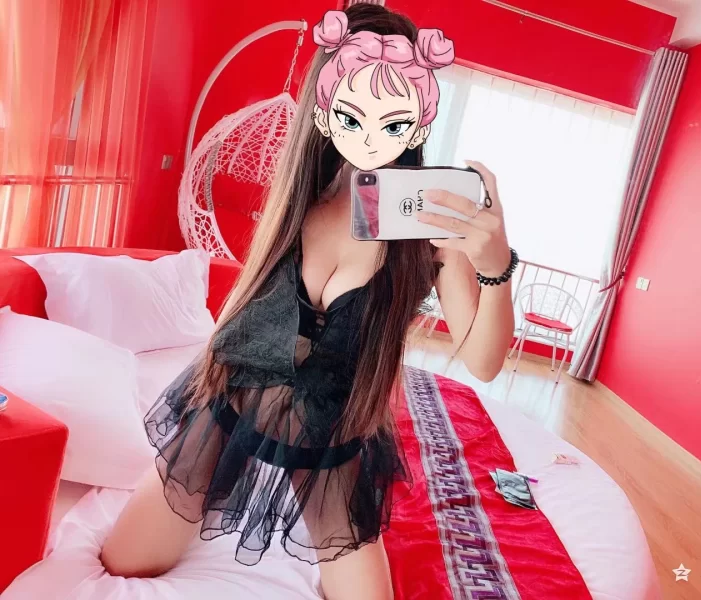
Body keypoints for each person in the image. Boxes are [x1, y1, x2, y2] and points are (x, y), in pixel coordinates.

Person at [101, 5, 515, 600]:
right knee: (123, 563)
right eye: (353, 110)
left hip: (333, 443)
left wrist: (496, 267)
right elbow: (242, 309)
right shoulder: (300, 197)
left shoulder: (427, 223)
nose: (370, 133)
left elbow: (483, 361)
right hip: (232, 410)